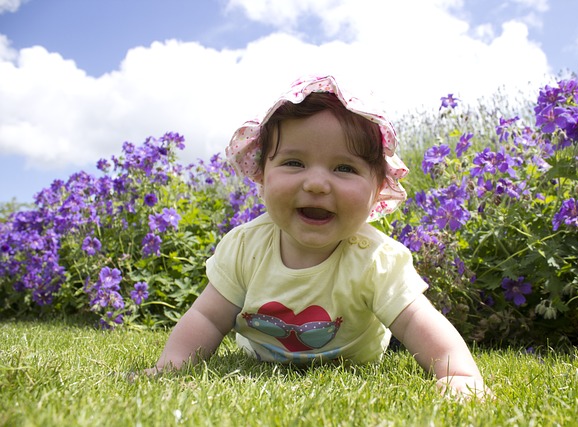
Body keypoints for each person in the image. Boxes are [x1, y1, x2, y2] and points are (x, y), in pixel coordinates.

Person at [146, 75, 490, 399]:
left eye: (344, 168)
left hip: (353, 362)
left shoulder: (376, 259)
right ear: (262, 176)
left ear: (377, 190)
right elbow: (208, 317)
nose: (316, 184)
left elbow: (417, 321)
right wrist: (171, 367)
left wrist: (457, 374)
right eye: (294, 163)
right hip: (260, 357)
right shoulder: (244, 248)